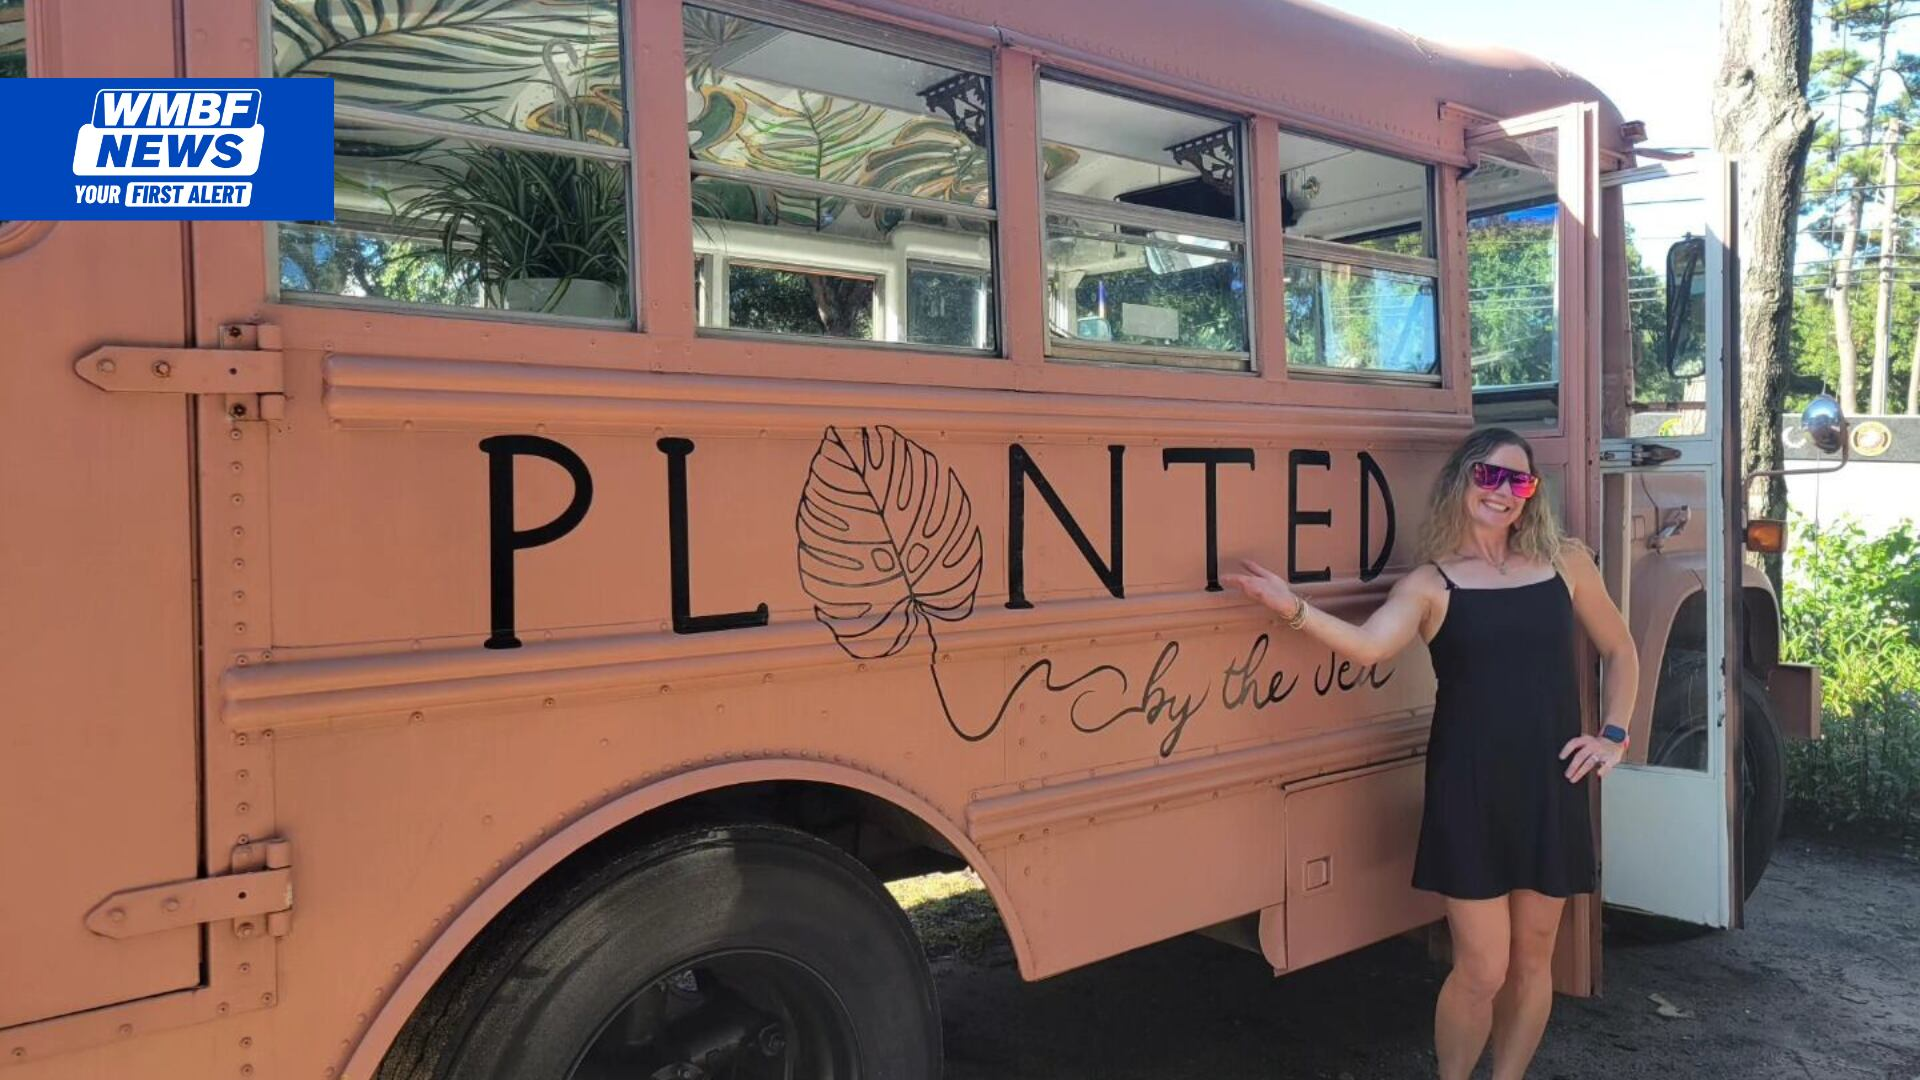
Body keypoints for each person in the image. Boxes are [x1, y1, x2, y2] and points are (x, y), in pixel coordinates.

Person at [1222, 426, 1638, 1080]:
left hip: (1550, 785)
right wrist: (1292, 608)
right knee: (1482, 968)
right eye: (1489, 476)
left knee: (1535, 959)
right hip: (1467, 793)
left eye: (1519, 481)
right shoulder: (1432, 584)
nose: (1502, 492)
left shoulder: (1566, 564)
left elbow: (1621, 650)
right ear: (1462, 480)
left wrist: (1613, 734)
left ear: (1532, 495)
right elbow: (1369, 645)